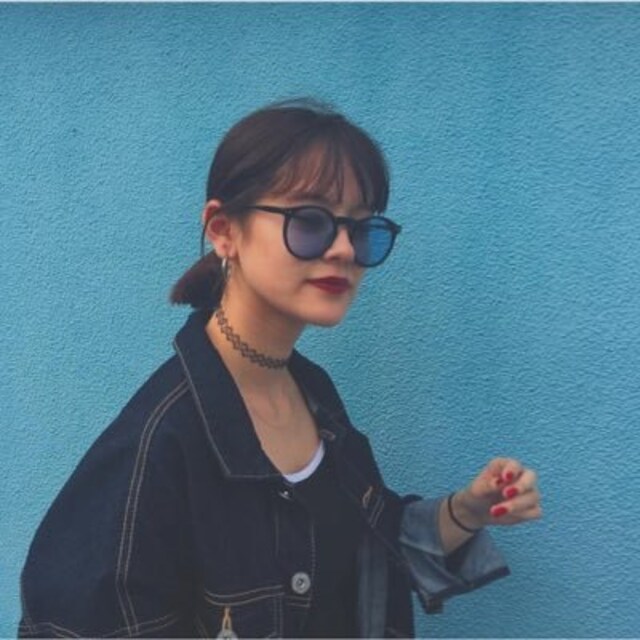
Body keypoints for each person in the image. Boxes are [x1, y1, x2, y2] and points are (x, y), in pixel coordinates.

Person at [19, 99, 542, 639]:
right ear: (224, 230)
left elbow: (363, 542)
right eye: (310, 222)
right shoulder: (158, 445)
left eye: (363, 229)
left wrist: (466, 510)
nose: (344, 249)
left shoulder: (313, 395)